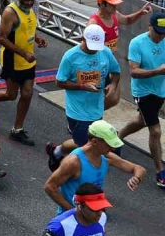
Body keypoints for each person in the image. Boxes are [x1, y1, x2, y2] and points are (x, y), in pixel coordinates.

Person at [49, 25, 122, 163]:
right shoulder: (71, 56)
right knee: (86, 148)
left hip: (96, 109)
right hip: (77, 111)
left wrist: (112, 85)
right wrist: (83, 86)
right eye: (91, 45)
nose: (94, 49)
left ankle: (57, 150)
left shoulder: (105, 52)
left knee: (83, 143)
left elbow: (116, 71)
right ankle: (74, 172)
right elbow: (59, 82)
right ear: (83, 39)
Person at [44, 121, 144, 212]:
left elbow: (139, 169)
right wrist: (73, 211)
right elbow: (49, 187)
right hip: (73, 219)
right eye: (109, 144)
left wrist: (136, 178)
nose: (113, 148)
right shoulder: (74, 162)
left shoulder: (106, 157)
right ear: (95, 142)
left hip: (93, 214)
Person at [0, 0, 47, 145]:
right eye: (26, 0)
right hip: (13, 60)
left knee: (27, 94)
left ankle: (17, 129)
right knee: (11, 95)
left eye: (32, 0)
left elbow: (27, 29)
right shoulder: (10, 13)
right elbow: (1, 39)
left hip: (28, 60)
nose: (29, 3)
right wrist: (23, 53)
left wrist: (37, 39)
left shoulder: (30, 10)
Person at [118, 11, 165, 185]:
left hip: (161, 89)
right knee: (155, 131)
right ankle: (160, 172)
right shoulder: (137, 43)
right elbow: (134, 72)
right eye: (158, 32)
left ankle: (117, 138)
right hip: (143, 92)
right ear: (149, 27)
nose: (161, 36)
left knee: (141, 120)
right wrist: (158, 71)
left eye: (164, 33)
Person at [41, 183, 109, 236]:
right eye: (95, 208)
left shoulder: (102, 217)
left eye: (102, 208)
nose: (99, 213)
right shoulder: (59, 227)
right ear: (79, 205)